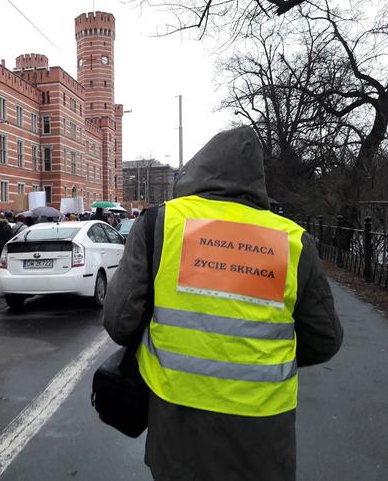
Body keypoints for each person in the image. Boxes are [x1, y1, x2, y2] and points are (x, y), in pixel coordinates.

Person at [103, 126, 344, 481]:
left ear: (199, 170)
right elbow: (324, 339)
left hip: (177, 432)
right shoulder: (292, 240)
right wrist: (256, 358)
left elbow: (120, 322)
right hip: (264, 438)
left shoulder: (162, 223)